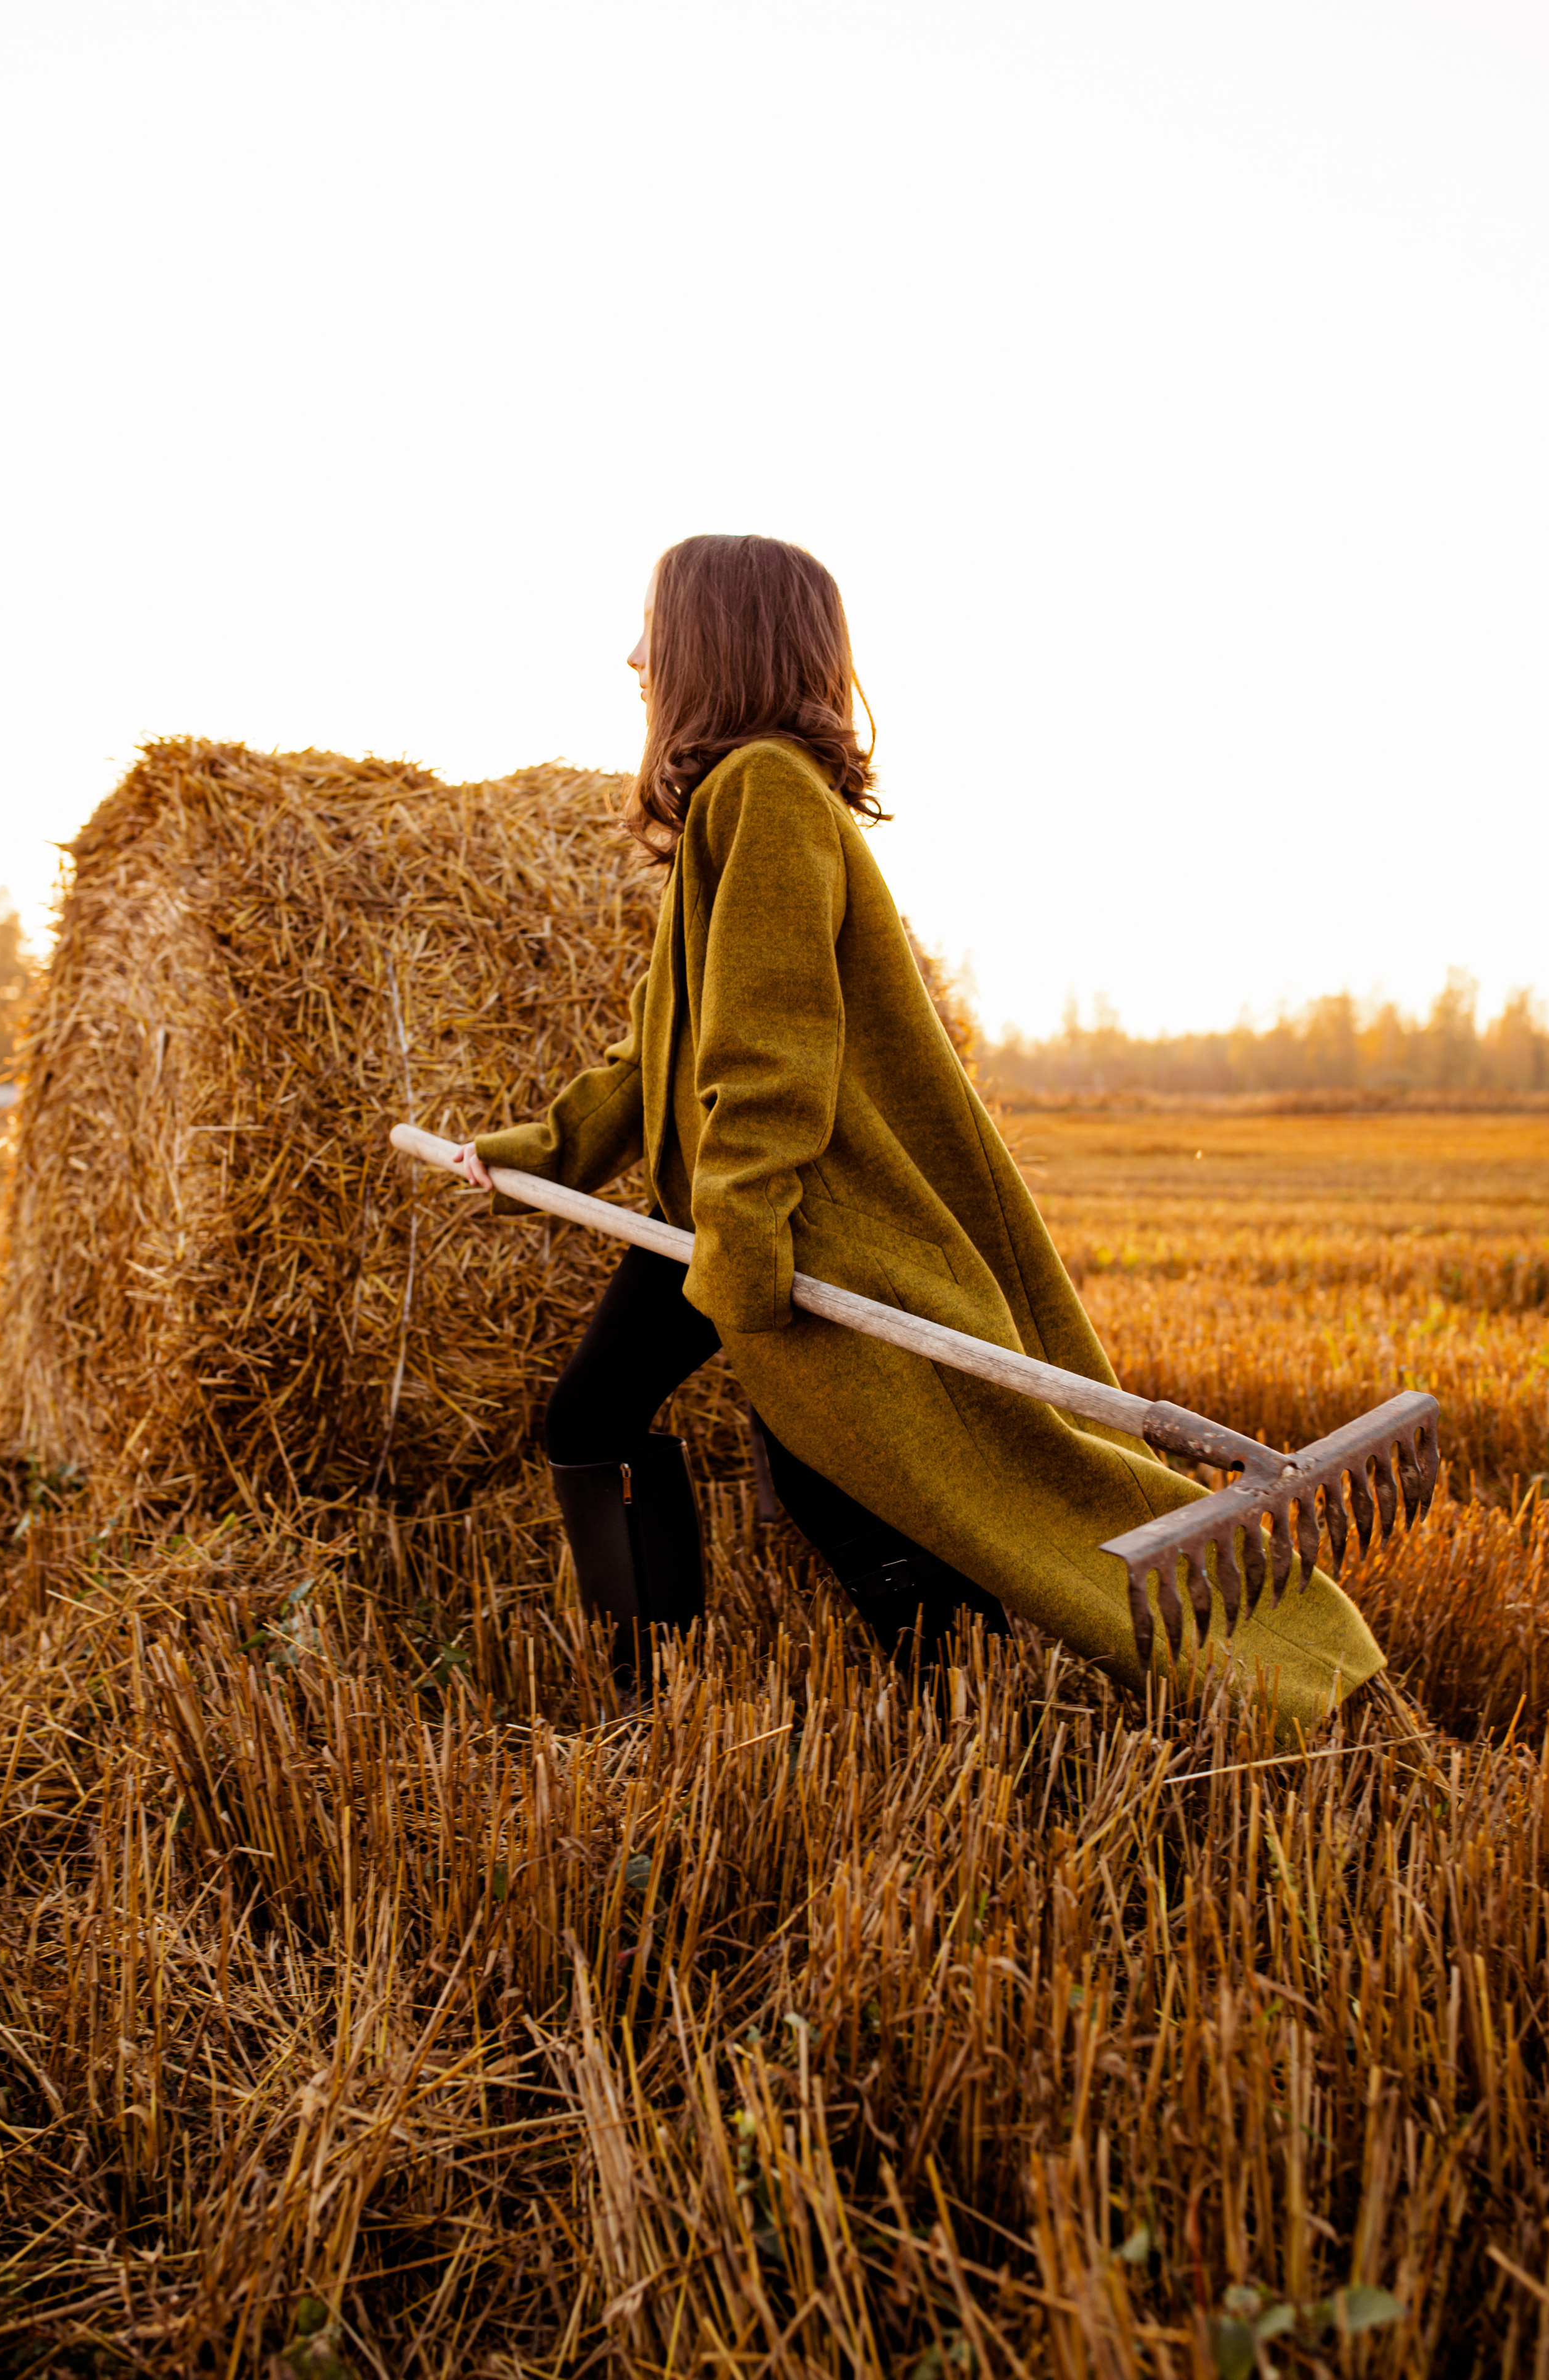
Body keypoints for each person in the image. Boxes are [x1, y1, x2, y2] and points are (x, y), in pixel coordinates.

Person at [453, 533, 1384, 1724]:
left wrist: (748, 1243)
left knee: (855, 1479)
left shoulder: (766, 794)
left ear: (714, 642)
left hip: (791, 1219)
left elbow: (770, 1051)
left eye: (656, 628)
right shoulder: (733, 807)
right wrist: (536, 1153)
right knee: (597, 1418)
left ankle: (983, 1714)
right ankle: (650, 1699)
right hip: (714, 1219)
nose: (634, 656)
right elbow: (663, 1053)